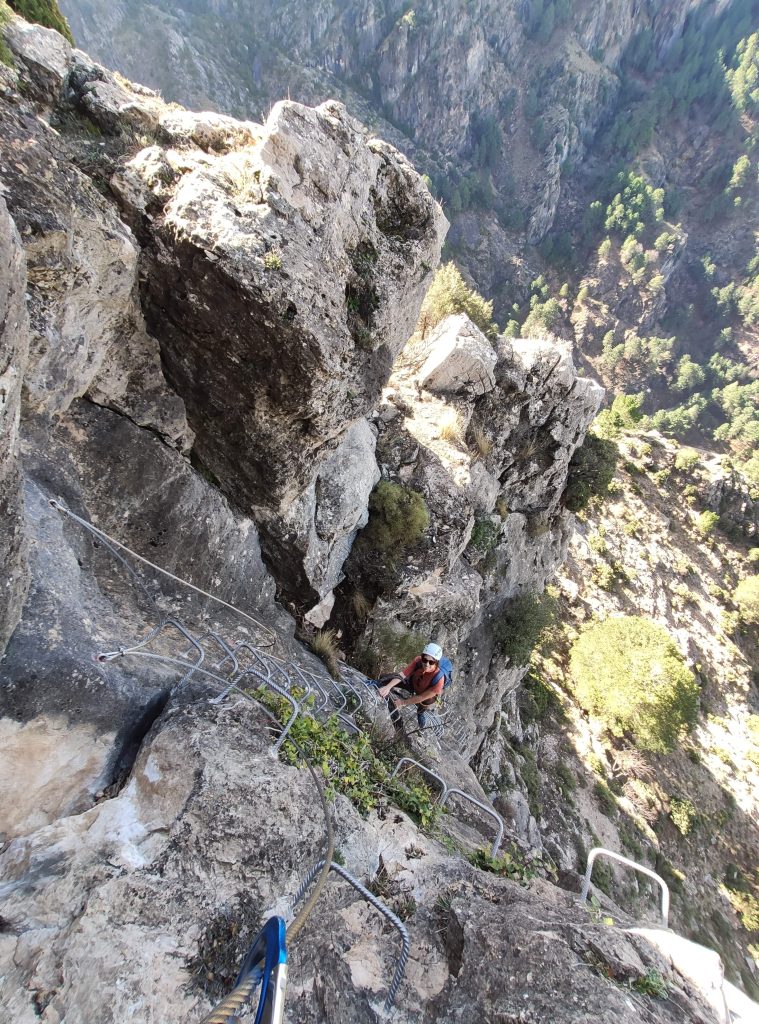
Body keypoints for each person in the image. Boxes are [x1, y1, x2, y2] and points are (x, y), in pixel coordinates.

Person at [376, 642, 446, 731]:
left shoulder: (439, 680)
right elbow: (402, 675)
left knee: (421, 709)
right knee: (384, 678)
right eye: (425, 660)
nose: (427, 664)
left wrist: (402, 702)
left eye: (431, 662)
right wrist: (388, 687)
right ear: (422, 657)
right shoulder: (418, 661)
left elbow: (421, 697)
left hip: (426, 696)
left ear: (436, 663)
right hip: (413, 683)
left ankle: (421, 720)